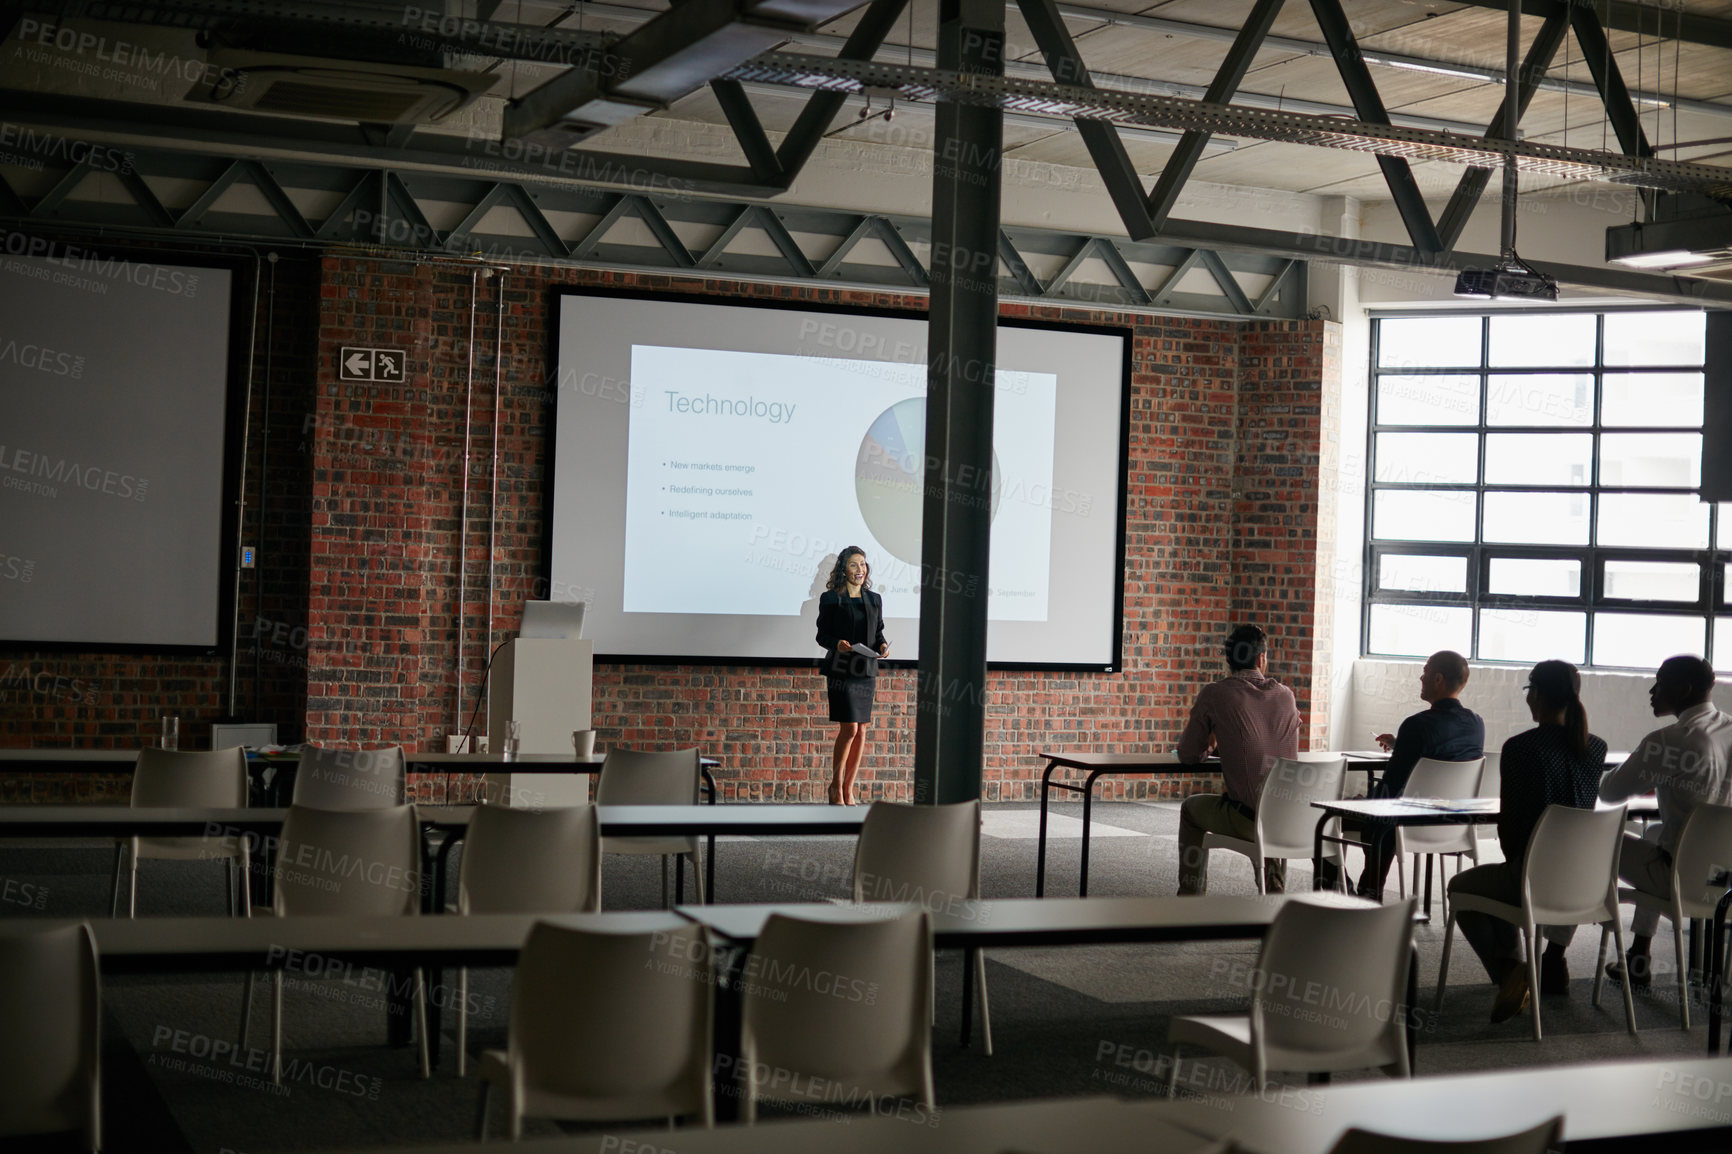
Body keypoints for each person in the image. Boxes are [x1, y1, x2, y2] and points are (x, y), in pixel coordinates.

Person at [1447, 659, 1607, 1023]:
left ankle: (1512, 973)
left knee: (1462, 888)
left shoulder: (1521, 747)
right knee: (1503, 884)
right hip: (1586, 882)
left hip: (1532, 879)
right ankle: (1547, 963)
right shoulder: (1595, 748)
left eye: (1528, 691)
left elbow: (1511, 825)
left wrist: (1515, 865)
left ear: (1537, 694)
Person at [1598, 655, 1732, 986]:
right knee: (1657, 832)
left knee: (1590, 843)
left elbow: (1611, 793)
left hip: (1679, 879)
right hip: (1723, 880)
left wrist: (1645, 772)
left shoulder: (1669, 740)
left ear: (1684, 689)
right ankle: (1639, 952)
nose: (1651, 690)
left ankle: (1555, 954)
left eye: (1659, 683)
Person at [1334, 650, 1484, 898]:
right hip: (1453, 823)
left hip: (1408, 822)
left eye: (1424, 672)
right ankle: (1367, 890)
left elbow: (1391, 787)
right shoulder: (1476, 724)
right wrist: (1401, 745)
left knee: (1329, 818)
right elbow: (1446, 754)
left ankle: (1346, 887)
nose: (1420, 678)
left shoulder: (1416, 725)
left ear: (1438, 679)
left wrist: (1363, 801)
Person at [1175, 624, 1302, 895]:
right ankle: (1272, 879)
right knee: (1262, 803)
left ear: (1228, 660)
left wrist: (1211, 745)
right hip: (1293, 815)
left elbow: (1188, 755)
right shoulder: (1286, 696)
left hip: (1250, 818)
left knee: (1190, 810)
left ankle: (1189, 898)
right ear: (1261, 659)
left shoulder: (1216, 693)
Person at [814, 546, 888, 806]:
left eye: (864, 565)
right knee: (850, 728)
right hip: (841, 669)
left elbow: (878, 633)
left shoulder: (874, 599)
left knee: (862, 731)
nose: (860, 570)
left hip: (866, 670)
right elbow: (822, 636)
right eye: (855, 565)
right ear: (844, 568)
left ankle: (848, 788)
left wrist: (883, 647)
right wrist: (838, 644)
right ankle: (834, 786)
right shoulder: (831, 598)